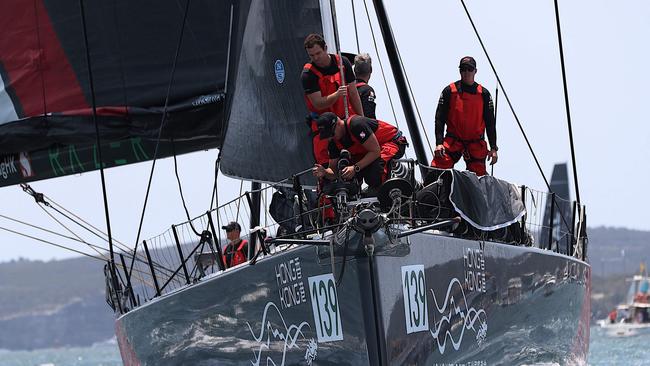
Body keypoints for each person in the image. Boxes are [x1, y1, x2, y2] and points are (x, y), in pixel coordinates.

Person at [302, 34, 364, 165]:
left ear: (325, 48)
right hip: (323, 128)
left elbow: (353, 94)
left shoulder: (343, 63)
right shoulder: (308, 74)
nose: (316, 58)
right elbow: (318, 104)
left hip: (344, 121)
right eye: (312, 55)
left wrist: (362, 119)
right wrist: (337, 94)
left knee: (356, 158)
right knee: (326, 165)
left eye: (318, 53)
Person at [430, 56, 498, 176]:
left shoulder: (484, 94)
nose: (466, 72)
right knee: (437, 171)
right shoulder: (449, 91)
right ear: (460, 71)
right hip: (452, 142)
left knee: (479, 178)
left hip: (475, 144)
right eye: (463, 69)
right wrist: (439, 143)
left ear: (475, 71)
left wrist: (493, 148)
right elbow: (439, 119)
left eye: (469, 69)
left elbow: (490, 123)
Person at [312, 112, 407, 188]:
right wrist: (324, 172)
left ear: (338, 123)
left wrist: (355, 168)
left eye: (331, 134)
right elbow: (334, 170)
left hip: (391, 143)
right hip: (368, 151)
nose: (330, 138)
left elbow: (375, 151)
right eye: (327, 136)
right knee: (346, 173)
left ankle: (391, 185)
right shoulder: (333, 142)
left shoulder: (356, 125)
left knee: (374, 175)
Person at [354, 53, 376, 119]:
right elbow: (369, 115)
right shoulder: (368, 90)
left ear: (354, 70)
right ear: (371, 70)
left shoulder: (347, 89)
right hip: (361, 126)